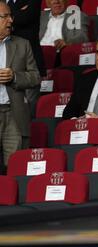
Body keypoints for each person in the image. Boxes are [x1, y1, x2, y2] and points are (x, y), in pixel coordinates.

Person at [0, 0, 40, 173]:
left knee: (15, 166)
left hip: (14, 113)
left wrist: (15, 76)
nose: (10, 21)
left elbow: (35, 77)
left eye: (11, 16)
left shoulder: (23, 44)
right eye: (5, 16)